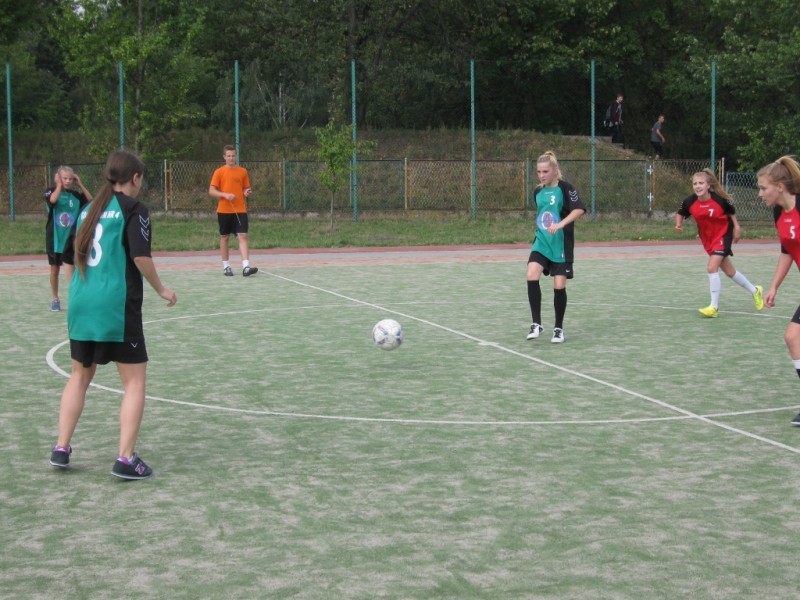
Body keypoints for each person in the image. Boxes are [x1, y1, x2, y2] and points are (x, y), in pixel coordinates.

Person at [49, 150, 177, 480]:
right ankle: (125, 458)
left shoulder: (88, 209)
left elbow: (68, 259)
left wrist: (78, 292)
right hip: (115, 306)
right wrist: (162, 288)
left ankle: (61, 447)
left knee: (79, 377)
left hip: (81, 303)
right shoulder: (134, 209)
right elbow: (140, 257)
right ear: (135, 177)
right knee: (134, 382)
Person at [675, 168, 763, 318]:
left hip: (723, 235)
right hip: (708, 239)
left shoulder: (719, 200)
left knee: (711, 267)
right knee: (730, 272)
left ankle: (714, 307)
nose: (698, 186)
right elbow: (681, 212)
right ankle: (755, 291)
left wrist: (737, 227)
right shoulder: (689, 201)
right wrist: (678, 224)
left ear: (708, 185)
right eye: (695, 183)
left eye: (701, 183)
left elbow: (731, 212)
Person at [526, 151, 586, 343]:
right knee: (531, 274)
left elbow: (579, 209)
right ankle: (536, 323)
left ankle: (558, 329)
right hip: (542, 242)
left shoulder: (566, 188)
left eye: (545, 171)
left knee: (559, 286)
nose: (541, 175)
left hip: (561, 245)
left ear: (555, 170)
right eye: (538, 172)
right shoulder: (538, 192)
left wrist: (560, 224)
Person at [757, 156, 800, 425]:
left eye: (764, 188)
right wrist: (774, 286)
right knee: (793, 338)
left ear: (780, 187)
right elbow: (788, 250)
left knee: (793, 336)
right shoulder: (778, 213)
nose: (760, 194)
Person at [44, 166, 92, 311]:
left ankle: (76, 297)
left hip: (71, 239)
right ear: (58, 177)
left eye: (71, 179)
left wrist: (80, 184)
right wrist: (59, 185)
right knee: (55, 269)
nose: (68, 181)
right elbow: (52, 200)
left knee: (75, 268)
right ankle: (55, 299)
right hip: (55, 239)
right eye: (65, 178)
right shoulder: (51, 191)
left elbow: (91, 201)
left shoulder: (75, 195)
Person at [209, 145, 258, 276]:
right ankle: (226, 266)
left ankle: (246, 267)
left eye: (233, 155)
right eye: (229, 156)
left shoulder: (243, 171)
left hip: (240, 209)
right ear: (224, 157)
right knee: (225, 237)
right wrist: (224, 195)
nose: (231, 158)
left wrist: (247, 192)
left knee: (243, 235)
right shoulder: (219, 172)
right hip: (224, 210)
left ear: (236, 156)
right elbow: (211, 191)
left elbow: (246, 188)